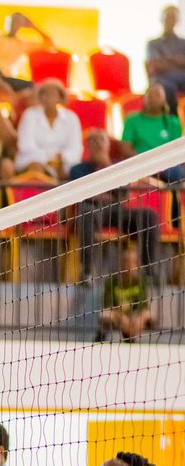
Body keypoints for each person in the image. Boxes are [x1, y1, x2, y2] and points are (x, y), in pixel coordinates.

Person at [69, 130, 162, 275]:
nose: (98, 144)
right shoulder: (78, 169)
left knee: (148, 216)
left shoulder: (117, 167)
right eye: (93, 141)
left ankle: (149, 271)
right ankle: (87, 271)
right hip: (93, 210)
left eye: (101, 140)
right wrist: (108, 195)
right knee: (85, 212)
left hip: (117, 211)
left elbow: (122, 194)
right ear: (87, 146)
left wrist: (106, 165)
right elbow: (82, 195)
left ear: (108, 145)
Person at [16, 79, 83, 179]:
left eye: (53, 94)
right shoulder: (30, 115)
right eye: (45, 94)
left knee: (74, 172)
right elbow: (26, 144)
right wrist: (48, 159)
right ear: (40, 97)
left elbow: (75, 147)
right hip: (34, 159)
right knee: (36, 168)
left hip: (63, 162)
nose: (49, 98)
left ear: (60, 98)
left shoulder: (72, 118)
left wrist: (61, 158)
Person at [0, 12, 56, 91]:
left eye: (18, 22)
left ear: (22, 25)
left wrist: (34, 27)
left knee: (32, 87)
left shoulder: (22, 44)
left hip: (8, 79)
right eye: (12, 21)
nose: (14, 24)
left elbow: (50, 45)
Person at [100, 243, 155, 342]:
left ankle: (132, 338)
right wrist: (122, 318)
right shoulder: (112, 281)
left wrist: (139, 320)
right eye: (126, 262)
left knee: (147, 314)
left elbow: (144, 307)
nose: (129, 266)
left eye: (133, 263)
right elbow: (109, 306)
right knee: (106, 314)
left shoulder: (140, 282)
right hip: (117, 315)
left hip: (133, 316)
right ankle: (101, 339)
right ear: (121, 264)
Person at [123, 81, 183, 156]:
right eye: (149, 95)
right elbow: (125, 148)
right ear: (143, 99)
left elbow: (177, 150)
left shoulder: (173, 122)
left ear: (164, 100)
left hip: (168, 163)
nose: (153, 98)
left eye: (157, 95)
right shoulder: (132, 120)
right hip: (141, 163)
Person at [146, 4, 185, 110]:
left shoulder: (183, 43)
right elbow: (155, 66)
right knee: (166, 87)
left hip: (182, 78)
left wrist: (166, 60)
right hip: (162, 79)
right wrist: (179, 61)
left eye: (173, 17)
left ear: (177, 20)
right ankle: (172, 121)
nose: (170, 20)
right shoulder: (153, 44)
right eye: (167, 17)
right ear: (161, 19)